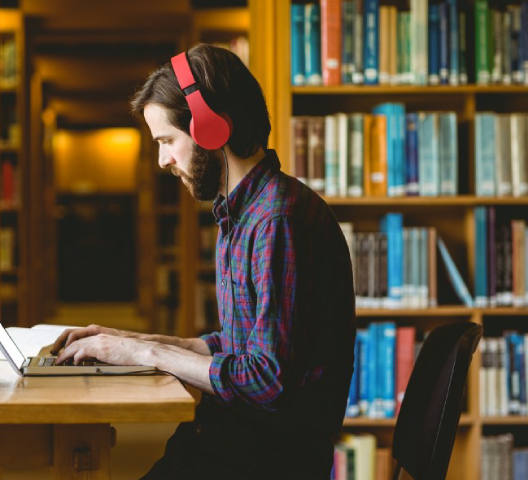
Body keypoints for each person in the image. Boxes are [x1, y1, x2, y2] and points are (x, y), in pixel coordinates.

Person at [50, 43, 356, 479]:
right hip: (231, 440)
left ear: (211, 129)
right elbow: (238, 346)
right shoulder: (244, 212)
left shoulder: (278, 220)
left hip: (264, 460)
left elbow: (267, 381)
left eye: (168, 141)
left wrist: (145, 351)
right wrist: (120, 342)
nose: (163, 160)